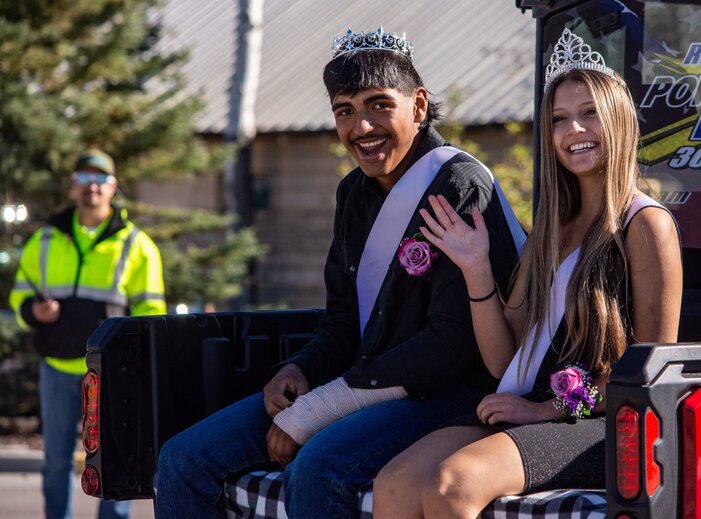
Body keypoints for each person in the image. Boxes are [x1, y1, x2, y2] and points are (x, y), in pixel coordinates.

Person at [154, 27, 525, 519]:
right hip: (368, 383)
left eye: (378, 105)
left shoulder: (458, 184)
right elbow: (343, 321)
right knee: (182, 459)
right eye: (345, 111)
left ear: (418, 104)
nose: (361, 127)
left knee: (318, 468)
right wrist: (300, 370)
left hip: (451, 394)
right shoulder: (353, 192)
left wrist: (319, 409)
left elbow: (453, 345)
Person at [372, 28, 683, 519]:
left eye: (589, 114)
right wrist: (476, 268)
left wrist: (548, 411)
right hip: (524, 405)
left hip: (601, 422)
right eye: (559, 119)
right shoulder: (549, 232)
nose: (573, 131)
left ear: (620, 121)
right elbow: (503, 362)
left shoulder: (646, 225)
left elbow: (652, 378)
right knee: (393, 484)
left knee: (452, 485)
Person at [10, 149, 166, 519]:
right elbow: (19, 295)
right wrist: (32, 310)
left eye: (99, 180)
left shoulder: (136, 245)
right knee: (55, 461)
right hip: (58, 370)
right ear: (73, 186)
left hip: (113, 377)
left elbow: (152, 316)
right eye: (83, 179)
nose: (90, 188)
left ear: (112, 187)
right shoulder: (45, 240)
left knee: (116, 462)